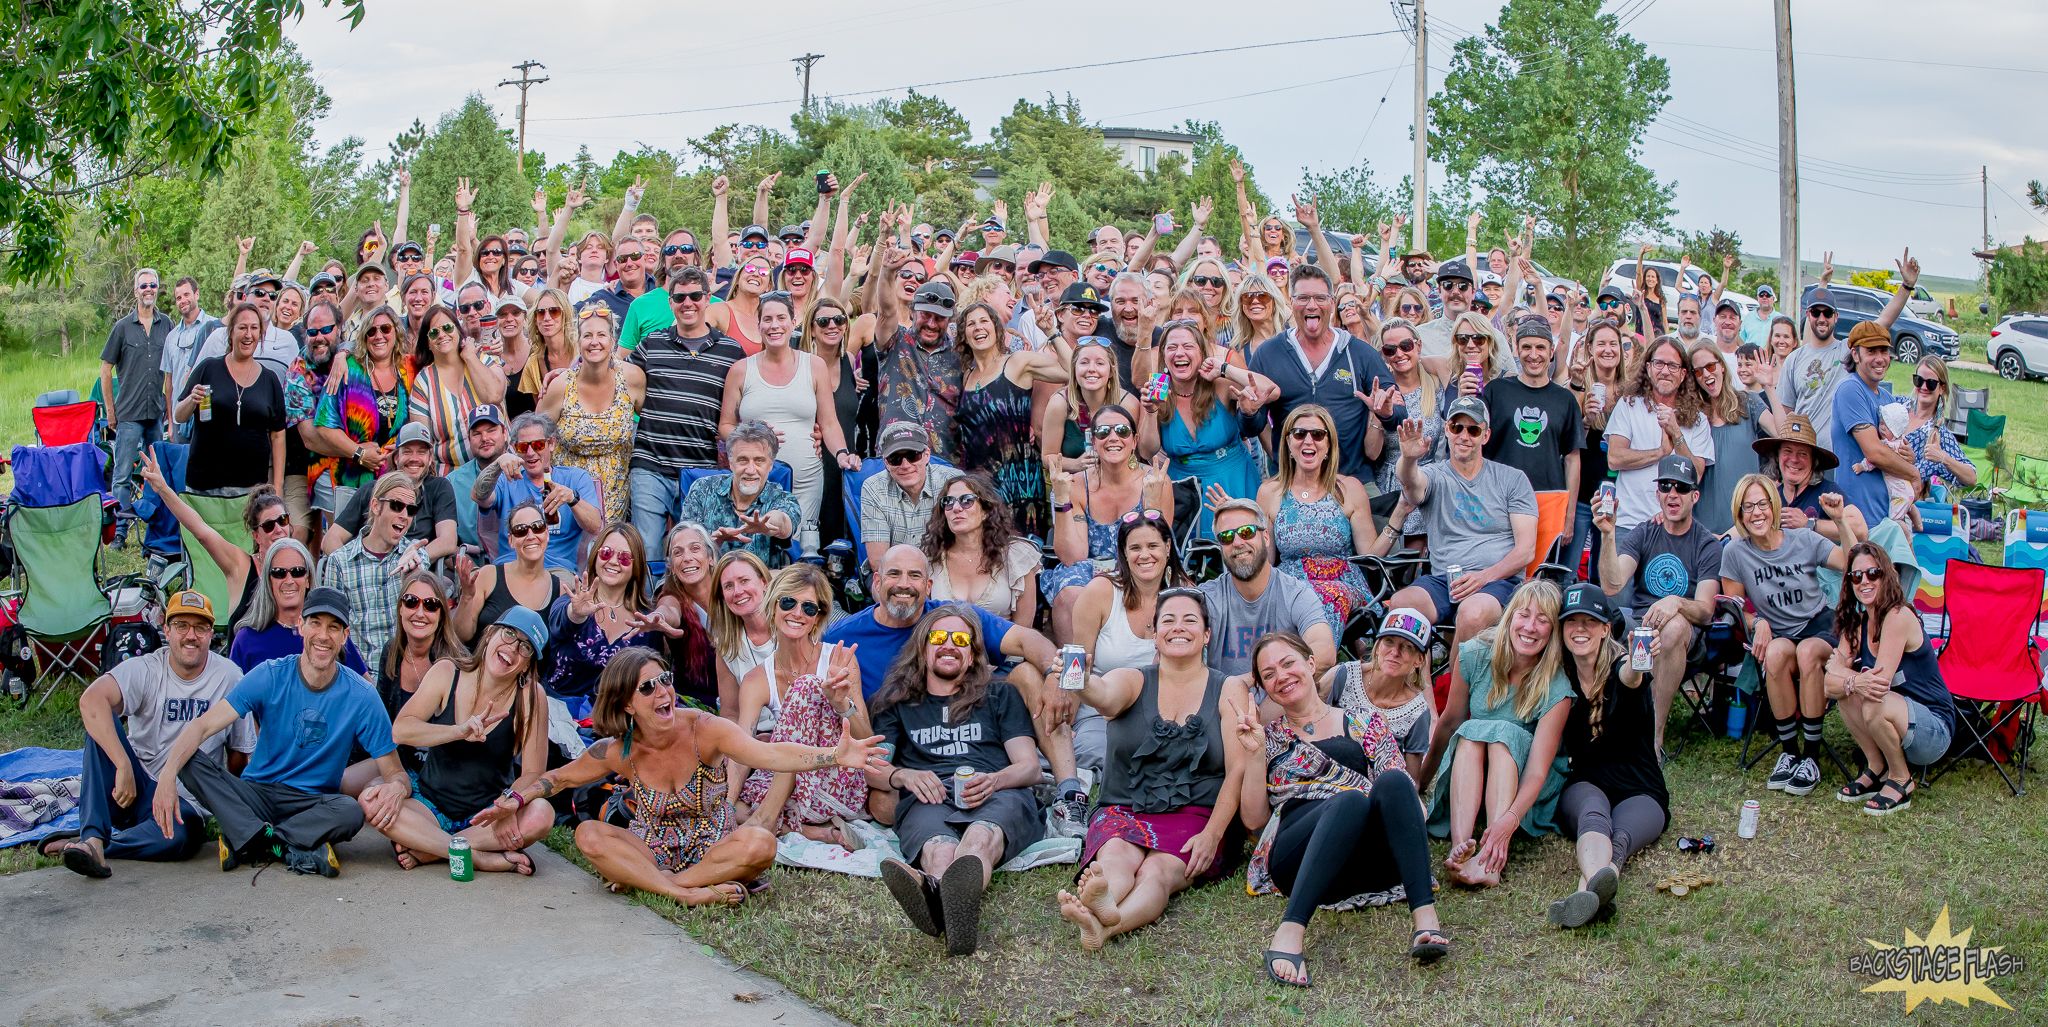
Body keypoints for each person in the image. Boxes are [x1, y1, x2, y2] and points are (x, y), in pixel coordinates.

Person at [533, 647, 880, 906]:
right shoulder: (617, 750)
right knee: (589, 833)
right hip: (650, 848)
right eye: (647, 688)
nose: (663, 692)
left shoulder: (705, 728)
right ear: (626, 704)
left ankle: (661, 882)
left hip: (713, 849)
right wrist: (515, 799)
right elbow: (560, 779)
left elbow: (772, 754)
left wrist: (834, 755)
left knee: (762, 843)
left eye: (664, 681)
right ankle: (682, 893)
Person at [153, 587, 409, 878]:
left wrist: (397, 789)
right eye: (315, 623)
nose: (323, 635)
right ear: (301, 626)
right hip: (256, 794)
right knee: (187, 759)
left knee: (350, 811)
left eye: (333, 627)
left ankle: (252, 840)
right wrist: (166, 777)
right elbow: (202, 726)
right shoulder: (270, 674)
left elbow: (396, 772)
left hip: (311, 802)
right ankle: (290, 847)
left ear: (344, 637)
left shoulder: (362, 696)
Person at [1238, 633, 1447, 987]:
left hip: (1368, 861)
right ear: (1264, 688)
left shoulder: (1366, 722)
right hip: (1299, 855)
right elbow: (1255, 820)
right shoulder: (1268, 737)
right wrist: (1255, 754)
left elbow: (1403, 799)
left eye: (1288, 663)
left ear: (1310, 663)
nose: (1281, 676)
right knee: (1349, 799)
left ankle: (1426, 919)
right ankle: (1290, 931)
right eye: (1269, 674)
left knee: (1397, 782)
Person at [1056, 588, 1241, 951]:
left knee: (1159, 871)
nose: (1178, 628)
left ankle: (1106, 925)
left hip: (1195, 814)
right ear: (1154, 634)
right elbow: (1104, 694)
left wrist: (1213, 834)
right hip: (1124, 807)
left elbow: (1237, 770)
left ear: (1206, 635)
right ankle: (1103, 899)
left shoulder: (1228, 687)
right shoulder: (1134, 679)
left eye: (1190, 620)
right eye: (1167, 620)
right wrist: (1078, 678)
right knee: (1117, 857)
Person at [871, 605, 1046, 956]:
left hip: (998, 791)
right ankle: (952, 912)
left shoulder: (999, 695)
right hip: (930, 795)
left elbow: (1029, 768)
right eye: (938, 637)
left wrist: (994, 781)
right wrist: (903, 774)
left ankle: (940, 905)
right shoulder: (896, 703)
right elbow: (872, 768)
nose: (949, 645)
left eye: (961, 639)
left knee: (980, 839)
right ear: (923, 649)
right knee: (940, 849)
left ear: (972, 656)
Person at [41, 591, 251, 877]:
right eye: (182, 626)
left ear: (211, 633)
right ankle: (92, 838)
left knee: (179, 840)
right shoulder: (148, 668)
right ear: (166, 630)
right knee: (100, 725)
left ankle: (98, 843)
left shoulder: (230, 677)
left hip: (184, 805)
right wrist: (123, 765)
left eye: (200, 627)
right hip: (132, 789)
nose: (191, 635)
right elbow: (91, 700)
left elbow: (240, 755)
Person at [1420, 579, 1572, 889]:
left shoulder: (1557, 686)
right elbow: (1449, 723)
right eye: (1523, 614)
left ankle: (1490, 857)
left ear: (1553, 631)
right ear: (1509, 616)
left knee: (1501, 734)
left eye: (1543, 620)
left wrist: (1507, 823)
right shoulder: (1475, 654)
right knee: (1472, 732)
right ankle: (1461, 849)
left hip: (1525, 786)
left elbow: (1537, 772)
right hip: (1474, 763)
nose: (1530, 627)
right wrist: (1419, 783)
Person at [1720, 475, 1865, 797]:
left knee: (1808, 652)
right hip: (1779, 631)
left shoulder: (1802, 540)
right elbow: (1736, 606)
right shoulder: (1735, 553)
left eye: (1762, 504)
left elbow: (1850, 561)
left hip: (1818, 625)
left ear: (1773, 506)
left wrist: (1840, 520)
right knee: (1775, 654)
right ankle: (1789, 753)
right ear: (1739, 514)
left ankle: (1811, 756)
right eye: (1748, 507)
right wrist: (1757, 622)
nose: (1756, 513)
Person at [378, 610, 553, 874]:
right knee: (373, 802)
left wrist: (506, 806)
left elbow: (533, 773)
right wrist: (458, 731)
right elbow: (401, 731)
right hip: (430, 806)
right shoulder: (448, 672)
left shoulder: (531, 696)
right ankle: (478, 856)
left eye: (525, 647)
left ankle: (431, 850)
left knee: (542, 814)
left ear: (527, 664)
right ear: (490, 633)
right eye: (508, 634)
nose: (513, 649)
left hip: (486, 817)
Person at [1547, 583, 1666, 929]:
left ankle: (1586, 893)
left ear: (1605, 629)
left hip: (1641, 788)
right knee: (1592, 815)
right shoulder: (1558, 678)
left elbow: (1630, 676)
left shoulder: (1622, 669)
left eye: (1589, 621)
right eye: (1571, 622)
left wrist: (1638, 662)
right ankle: (1599, 888)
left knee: (1623, 837)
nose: (1579, 629)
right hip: (1586, 783)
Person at [1594, 454, 1724, 756]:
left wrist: (1676, 602)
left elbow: (1705, 610)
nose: (1672, 494)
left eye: (1680, 487)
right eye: (1665, 486)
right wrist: (1608, 535)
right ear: (1657, 494)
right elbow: (1612, 584)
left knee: (1673, 627)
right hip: (1638, 626)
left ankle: (1653, 739)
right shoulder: (1644, 531)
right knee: (1589, 617)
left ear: (1695, 496)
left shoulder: (1706, 544)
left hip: (1685, 638)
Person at [730, 564, 869, 842]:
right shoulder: (757, 678)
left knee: (806, 686)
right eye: (789, 602)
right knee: (736, 808)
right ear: (773, 607)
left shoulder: (838, 660)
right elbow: (742, 749)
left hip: (836, 780)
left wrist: (841, 704)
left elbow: (867, 739)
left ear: (817, 618)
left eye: (809, 608)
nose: (797, 613)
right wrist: (726, 806)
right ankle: (819, 833)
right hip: (787, 786)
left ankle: (767, 819)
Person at [1385, 398, 1538, 645]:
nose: (1464, 436)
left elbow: (1525, 551)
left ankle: (1451, 684)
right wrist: (1409, 459)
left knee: (1472, 613)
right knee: (1402, 606)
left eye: (1473, 430)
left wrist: (1483, 577)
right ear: (1447, 429)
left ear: (1485, 436)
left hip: (1499, 582)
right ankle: (1422, 683)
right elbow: (1412, 484)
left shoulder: (1513, 479)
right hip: (1445, 581)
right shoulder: (1436, 475)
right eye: (1457, 427)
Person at [720, 294, 861, 551]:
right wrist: (753, 435)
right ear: (758, 325)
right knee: (756, 547)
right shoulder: (741, 370)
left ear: (793, 322)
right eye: (768, 319)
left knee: (798, 551)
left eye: (781, 318)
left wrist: (842, 453)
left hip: (806, 480)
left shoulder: (814, 365)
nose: (775, 325)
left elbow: (829, 423)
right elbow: (725, 426)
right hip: (754, 481)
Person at [1825, 543, 1956, 816]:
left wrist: (1844, 673)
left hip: (1933, 729)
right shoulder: (1858, 624)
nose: (1865, 581)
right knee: (1846, 694)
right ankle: (1877, 768)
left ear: (1887, 575)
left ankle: (1900, 779)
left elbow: (1878, 684)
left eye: (1873, 573)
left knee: (1871, 699)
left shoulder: (1898, 616)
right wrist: (1850, 681)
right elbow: (1829, 684)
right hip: (1897, 719)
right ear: (1849, 582)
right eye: (1856, 576)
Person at [626, 268, 746, 547]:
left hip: (700, 469)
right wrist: (566, 374)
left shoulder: (731, 350)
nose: (687, 303)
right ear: (671, 303)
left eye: (695, 296)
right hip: (650, 464)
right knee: (648, 549)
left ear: (708, 300)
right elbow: (617, 377)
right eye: (679, 298)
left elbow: (746, 404)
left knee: (695, 548)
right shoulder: (652, 343)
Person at [1247, 264, 1398, 480]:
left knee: (1378, 514)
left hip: (1351, 480)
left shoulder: (1359, 352)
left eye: (1319, 298)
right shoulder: (1269, 353)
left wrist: (1386, 413)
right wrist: (1249, 412)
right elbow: (1250, 426)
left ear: (1332, 303)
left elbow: (1399, 413)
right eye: (1303, 298)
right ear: (1291, 303)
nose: (1311, 305)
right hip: (1291, 482)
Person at [1068, 514, 1190, 773]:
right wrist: (1065, 725)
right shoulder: (1100, 592)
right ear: (1124, 553)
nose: (1144, 555)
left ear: (1168, 548)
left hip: (1163, 712)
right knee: (1103, 758)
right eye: (1135, 548)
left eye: (1152, 546)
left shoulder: (1185, 595)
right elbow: (1076, 664)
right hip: (1100, 712)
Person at [1042, 407, 1173, 641]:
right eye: (1103, 432)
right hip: (1090, 567)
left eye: (1122, 431)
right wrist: (1062, 500)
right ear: (1093, 441)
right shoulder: (1077, 484)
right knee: (1070, 589)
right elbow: (1073, 557)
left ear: (1134, 441)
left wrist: (1152, 506)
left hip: (1139, 562)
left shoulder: (1154, 481)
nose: (1113, 438)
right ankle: (1077, 669)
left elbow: (1159, 549)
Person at [1142, 318, 1272, 538]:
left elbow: (1270, 389)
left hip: (1233, 480)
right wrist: (1151, 411)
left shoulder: (1219, 385)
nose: (1179, 353)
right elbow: (1146, 451)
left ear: (1201, 353)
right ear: (1163, 356)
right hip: (1182, 493)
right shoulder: (1158, 388)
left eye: (1188, 346)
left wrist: (1224, 368)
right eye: (1171, 347)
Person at [136, 453, 294, 630]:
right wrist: (162, 489)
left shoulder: (299, 569)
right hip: (246, 655)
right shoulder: (241, 566)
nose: (279, 529)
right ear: (256, 535)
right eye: (269, 525)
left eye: (283, 520)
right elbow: (201, 531)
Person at [952, 300, 1068, 540]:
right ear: (964, 334)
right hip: (979, 485)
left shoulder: (1017, 362)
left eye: (984, 321)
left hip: (1019, 481)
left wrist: (1050, 331)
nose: (978, 327)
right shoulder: (966, 376)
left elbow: (1073, 370)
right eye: (971, 324)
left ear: (996, 328)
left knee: (1022, 552)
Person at [1260, 404, 1375, 634]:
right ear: (1288, 444)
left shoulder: (1349, 488)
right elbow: (1266, 561)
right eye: (1300, 434)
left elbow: (1370, 557)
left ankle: (1316, 662)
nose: (1308, 441)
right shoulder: (1270, 491)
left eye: (1318, 435)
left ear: (1329, 445)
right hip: (1290, 584)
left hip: (1342, 584)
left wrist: (1398, 517)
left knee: (1322, 596)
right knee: (1286, 598)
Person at [1201, 500, 1334, 680]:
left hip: (1281, 701)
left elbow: (1324, 653)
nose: (1238, 542)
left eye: (1246, 532)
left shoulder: (1295, 593)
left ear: (1266, 537)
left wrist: (1254, 683)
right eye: (1226, 536)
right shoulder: (1207, 597)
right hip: (1223, 704)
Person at [545, 523, 662, 721]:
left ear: (636, 567)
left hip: (617, 722)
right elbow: (559, 623)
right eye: (606, 553)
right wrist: (576, 613)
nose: (614, 561)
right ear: (595, 557)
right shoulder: (571, 601)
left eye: (624, 557)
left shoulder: (646, 620)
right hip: (559, 717)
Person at [539, 307, 646, 524]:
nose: (594, 342)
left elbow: (652, 427)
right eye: (587, 335)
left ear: (613, 341)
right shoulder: (561, 386)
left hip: (616, 493)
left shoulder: (632, 379)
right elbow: (535, 436)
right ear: (578, 342)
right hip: (567, 495)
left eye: (601, 335)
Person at [173, 302, 287, 495]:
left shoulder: (270, 380)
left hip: (252, 489)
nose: (248, 335)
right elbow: (179, 415)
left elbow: (278, 436)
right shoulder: (208, 368)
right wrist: (192, 400)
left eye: (254, 328)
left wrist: (277, 487)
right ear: (231, 332)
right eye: (242, 327)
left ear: (261, 334)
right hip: (205, 485)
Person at [471, 411, 605, 572]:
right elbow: (478, 496)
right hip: (511, 566)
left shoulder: (575, 478)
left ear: (552, 444)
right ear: (515, 449)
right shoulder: (506, 479)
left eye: (538, 445)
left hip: (558, 568)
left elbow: (596, 527)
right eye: (522, 446)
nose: (530, 452)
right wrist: (496, 465)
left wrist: (572, 499)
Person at [1606, 335, 1714, 532]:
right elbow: (1614, 458)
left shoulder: (1698, 420)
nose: (1665, 371)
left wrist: (1676, 434)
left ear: (1682, 374)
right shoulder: (1629, 404)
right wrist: (1661, 452)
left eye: (1672, 366)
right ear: (1648, 368)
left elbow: (1696, 475)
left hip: (1675, 528)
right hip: (1629, 523)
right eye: (1659, 363)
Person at [313, 305, 411, 520]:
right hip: (351, 479)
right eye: (371, 331)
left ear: (396, 331)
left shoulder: (408, 369)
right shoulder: (348, 368)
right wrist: (359, 453)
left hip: (398, 480)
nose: (378, 336)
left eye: (385, 329)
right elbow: (324, 424)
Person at [1318, 608, 1436, 780]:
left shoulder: (1417, 711)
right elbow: (1310, 720)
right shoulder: (1344, 676)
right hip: (1325, 771)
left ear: (1419, 660)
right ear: (1378, 645)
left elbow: (1411, 780)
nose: (1395, 652)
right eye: (1389, 641)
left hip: (1374, 788)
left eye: (1407, 647)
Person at [316, 472, 424, 659]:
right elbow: (333, 628)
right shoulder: (340, 561)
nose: (404, 516)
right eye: (397, 506)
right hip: (359, 672)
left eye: (411, 510)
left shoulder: (415, 555)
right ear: (375, 506)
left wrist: (413, 575)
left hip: (405, 670)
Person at [321, 422, 458, 568]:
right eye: (407, 451)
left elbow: (448, 540)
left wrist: (412, 559)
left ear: (430, 459)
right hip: (366, 573)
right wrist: (352, 570)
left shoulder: (439, 487)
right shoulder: (371, 490)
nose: (414, 458)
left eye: (422, 452)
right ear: (396, 458)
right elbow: (330, 539)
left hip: (414, 575)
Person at [102, 268, 172, 544]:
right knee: (121, 475)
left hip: (155, 413)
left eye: (153, 284)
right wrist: (110, 410)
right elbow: (105, 370)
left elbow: (171, 371)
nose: (148, 289)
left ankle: (157, 525)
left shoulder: (166, 324)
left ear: (157, 289)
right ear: (135, 291)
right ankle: (120, 531)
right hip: (128, 414)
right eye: (143, 285)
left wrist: (169, 406)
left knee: (157, 471)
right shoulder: (122, 327)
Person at [228, 539, 367, 673]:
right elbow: (233, 695)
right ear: (269, 581)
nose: (289, 580)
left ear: (308, 579)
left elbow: (366, 689)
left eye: (297, 572)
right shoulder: (246, 639)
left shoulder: (330, 633)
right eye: (279, 573)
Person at [1832, 320, 1921, 527]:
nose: (1880, 359)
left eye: (1884, 351)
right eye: (1871, 351)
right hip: (1860, 515)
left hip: (1887, 512)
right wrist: (1913, 473)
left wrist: (1908, 457)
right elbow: (1874, 452)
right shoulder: (1850, 389)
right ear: (1855, 354)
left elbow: (1894, 451)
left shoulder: (1888, 398)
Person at [1481, 317, 1582, 499]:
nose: (1533, 355)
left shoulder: (1565, 399)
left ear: (1551, 352)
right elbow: (1476, 446)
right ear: (1517, 349)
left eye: (1540, 348)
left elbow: (1572, 459)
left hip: (1548, 500)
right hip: (1498, 498)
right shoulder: (1495, 391)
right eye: (1527, 347)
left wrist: (1569, 517)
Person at [679, 419, 802, 568]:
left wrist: (767, 523)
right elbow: (683, 541)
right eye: (743, 460)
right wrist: (712, 543)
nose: (750, 470)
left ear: (770, 465)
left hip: (760, 587)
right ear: (731, 463)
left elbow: (783, 521)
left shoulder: (782, 499)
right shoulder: (702, 489)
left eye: (759, 461)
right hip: (707, 583)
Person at [873, 269, 966, 463]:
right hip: (896, 458)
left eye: (939, 318)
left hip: (946, 462)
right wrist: (888, 271)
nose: (931, 324)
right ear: (912, 311)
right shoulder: (895, 341)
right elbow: (886, 310)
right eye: (926, 315)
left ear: (950, 319)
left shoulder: (962, 355)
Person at [923, 472, 1040, 624]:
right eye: (948, 502)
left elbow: (1024, 631)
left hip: (1002, 646)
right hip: (946, 645)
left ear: (986, 511)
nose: (956, 508)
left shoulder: (1016, 555)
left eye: (966, 501)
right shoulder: (931, 556)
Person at [406, 303, 506, 476]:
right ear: (428, 342)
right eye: (434, 332)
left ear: (459, 331)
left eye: (447, 328)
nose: (442, 335)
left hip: (499, 469)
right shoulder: (423, 382)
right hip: (451, 478)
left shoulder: (484, 360)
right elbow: (423, 441)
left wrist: (469, 356)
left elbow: (494, 395)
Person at [453, 502, 566, 645]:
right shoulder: (488, 575)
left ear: (546, 534)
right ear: (511, 540)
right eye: (521, 530)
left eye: (537, 527)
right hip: (483, 663)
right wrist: (467, 597)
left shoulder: (561, 590)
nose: (530, 536)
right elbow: (461, 636)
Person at [1566, 318, 1627, 582]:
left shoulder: (1630, 393)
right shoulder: (1581, 387)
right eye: (1601, 343)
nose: (1608, 349)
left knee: (1604, 573)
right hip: (1582, 495)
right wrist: (1587, 422)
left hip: (1616, 496)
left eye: (1614, 344)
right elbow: (1567, 443)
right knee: (1568, 569)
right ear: (1590, 349)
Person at [1692, 338, 1773, 535]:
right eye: (1698, 371)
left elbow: (1783, 433)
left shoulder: (1748, 402)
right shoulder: (1692, 416)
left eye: (1710, 366)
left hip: (1747, 525)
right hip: (1704, 529)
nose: (1706, 374)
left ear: (1722, 366)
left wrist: (1769, 387)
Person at [862, 421, 965, 566]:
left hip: (944, 568)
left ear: (927, 455)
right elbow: (878, 562)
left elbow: (967, 544)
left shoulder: (953, 481)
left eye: (913, 455)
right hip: (894, 570)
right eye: (895, 459)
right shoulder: (873, 487)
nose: (905, 465)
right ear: (885, 462)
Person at [1757, 413, 1848, 542]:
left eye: (1803, 454)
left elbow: (1860, 529)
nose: (1794, 460)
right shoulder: (1771, 496)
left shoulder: (1828, 491)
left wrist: (1809, 524)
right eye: (1787, 451)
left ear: (1814, 461)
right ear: (1777, 457)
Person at [1899, 358, 1977, 496]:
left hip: (1899, 502)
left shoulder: (1939, 435)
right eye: (1918, 380)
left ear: (1942, 388)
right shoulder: (1897, 405)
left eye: (1931, 383)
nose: (1923, 387)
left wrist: (1942, 457)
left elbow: (1971, 477)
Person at [162, 276, 222, 444]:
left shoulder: (215, 328)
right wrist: (171, 422)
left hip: (209, 412)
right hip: (181, 414)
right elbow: (169, 382)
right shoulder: (171, 337)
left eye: (186, 294)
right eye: (179, 298)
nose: (183, 300)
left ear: (197, 294)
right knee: (182, 467)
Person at [444, 405, 507, 552]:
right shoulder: (452, 482)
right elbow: (447, 542)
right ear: (469, 439)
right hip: (472, 561)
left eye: (491, 431)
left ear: (504, 432)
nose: (485, 438)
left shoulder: (524, 472)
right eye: (477, 434)